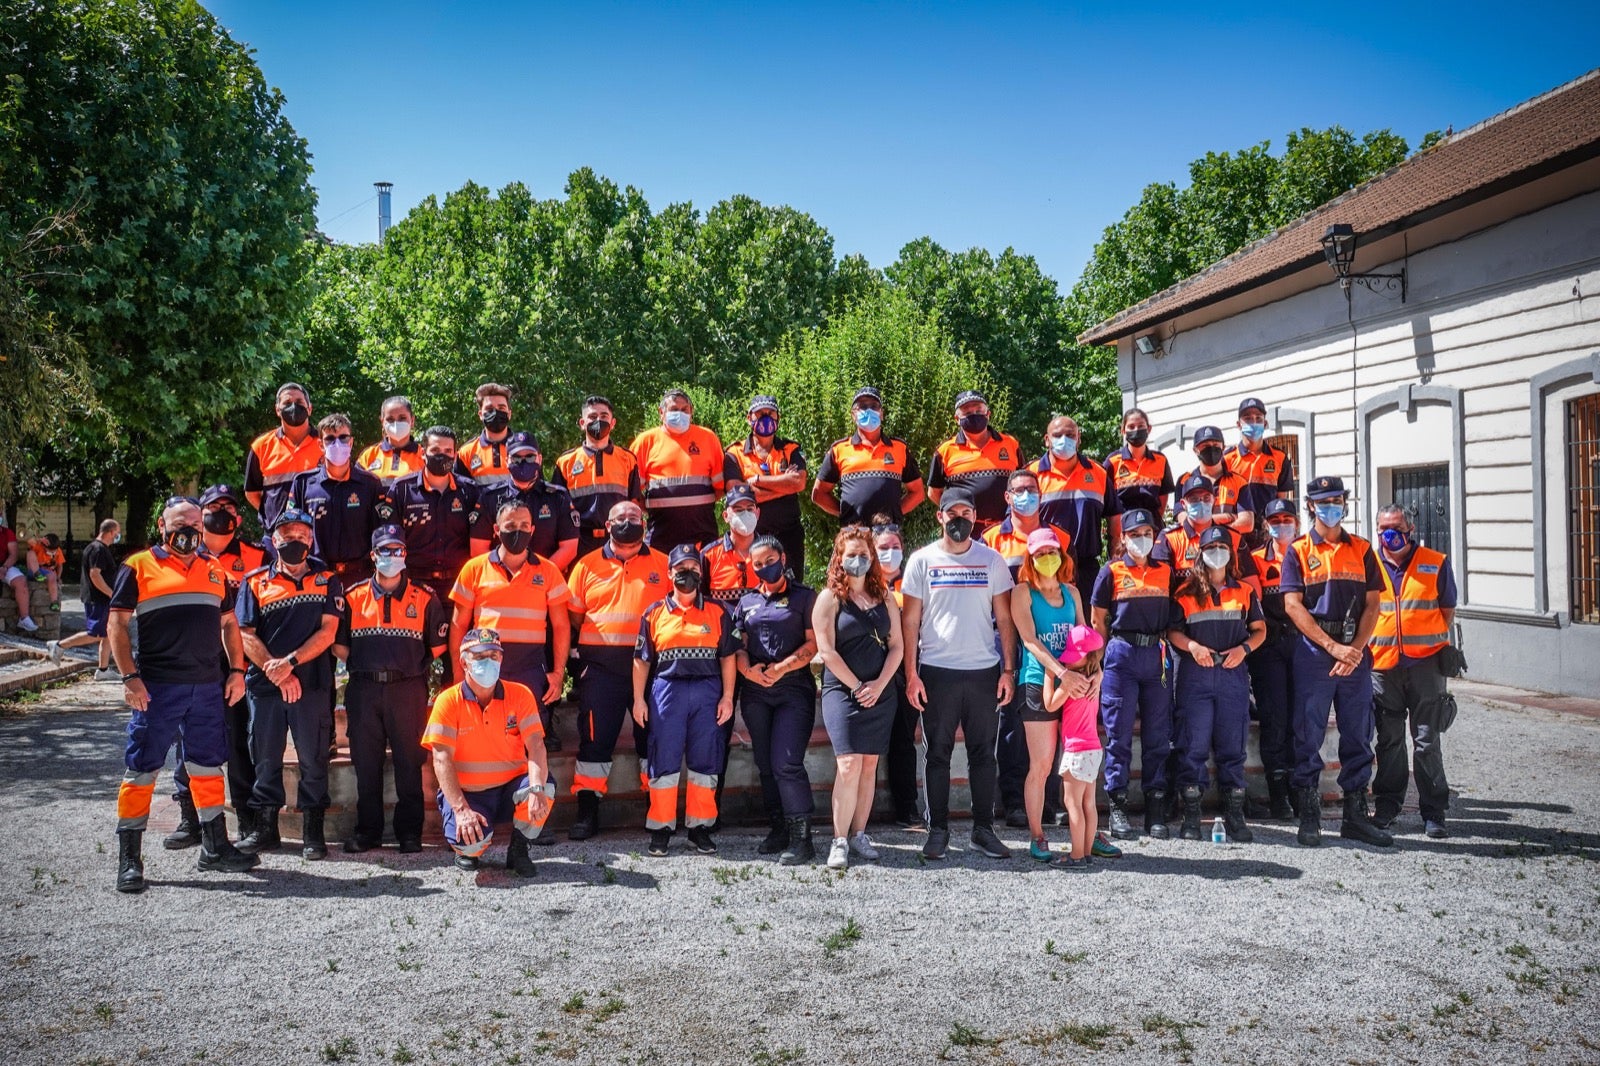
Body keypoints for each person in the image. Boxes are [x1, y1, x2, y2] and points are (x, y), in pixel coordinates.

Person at [107, 496, 257, 892]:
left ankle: (214, 848)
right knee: (142, 768)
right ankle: (129, 859)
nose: (188, 531)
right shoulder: (138, 566)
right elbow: (117, 625)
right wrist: (129, 678)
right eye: (180, 523)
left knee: (208, 767)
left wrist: (237, 671)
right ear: (162, 524)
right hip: (157, 688)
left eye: (195, 523)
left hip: (207, 686)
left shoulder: (213, 569)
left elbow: (229, 625)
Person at [901, 487, 1017, 861]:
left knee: (985, 755)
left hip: (984, 671)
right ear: (940, 517)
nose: (959, 520)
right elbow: (910, 621)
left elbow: (1005, 619)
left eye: (967, 513)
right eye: (953, 514)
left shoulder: (992, 560)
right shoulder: (921, 561)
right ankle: (937, 832)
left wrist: (1009, 670)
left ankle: (983, 830)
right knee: (937, 754)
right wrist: (911, 675)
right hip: (936, 672)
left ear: (975, 517)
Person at [1279, 475, 1393, 848]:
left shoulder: (1362, 549)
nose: (1332, 506)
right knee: (1307, 732)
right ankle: (1309, 814)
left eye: (1338, 499)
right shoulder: (1296, 551)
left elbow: (1374, 604)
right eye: (1324, 501)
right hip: (1316, 652)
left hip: (1354, 652)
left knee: (1359, 733)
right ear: (1311, 506)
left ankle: (1356, 816)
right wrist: (1332, 647)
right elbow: (1293, 606)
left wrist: (1355, 649)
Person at [234, 508, 346, 861]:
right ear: (274, 539)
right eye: (286, 534)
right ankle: (266, 829)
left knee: (313, 757)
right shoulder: (254, 582)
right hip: (266, 686)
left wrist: (291, 664)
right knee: (265, 757)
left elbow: (329, 632)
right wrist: (276, 672)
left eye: (301, 533)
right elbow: (243, 633)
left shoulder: (328, 580)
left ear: (311, 539)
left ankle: (313, 831)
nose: (294, 539)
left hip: (311, 684)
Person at [336, 525, 449, 854]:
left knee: (409, 763)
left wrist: (409, 666)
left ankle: (409, 834)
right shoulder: (352, 596)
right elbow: (339, 646)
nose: (392, 556)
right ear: (373, 555)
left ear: (405, 554)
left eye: (397, 549)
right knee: (366, 765)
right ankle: (367, 832)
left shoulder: (425, 598)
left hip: (407, 690)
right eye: (385, 550)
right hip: (363, 690)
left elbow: (437, 647)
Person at [563, 501, 669, 839]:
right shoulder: (586, 565)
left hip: (650, 669)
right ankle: (587, 812)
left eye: (634, 518)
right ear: (607, 525)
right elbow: (575, 616)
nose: (628, 522)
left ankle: (659, 811)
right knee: (594, 740)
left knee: (652, 740)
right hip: (600, 670)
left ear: (644, 522)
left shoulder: (664, 564)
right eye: (620, 518)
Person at [451, 499, 571, 773]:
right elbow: (458, 625)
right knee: (484, 734)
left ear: (533, 529)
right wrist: (460, 674)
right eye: (511, 526)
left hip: (530, 665)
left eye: (524, 525)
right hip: (485, 662)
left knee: (531, 738)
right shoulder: (474, 568)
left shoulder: (548, 571)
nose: (518, 531)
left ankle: (531, 799)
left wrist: (558, 672)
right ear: (496, 529)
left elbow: (562, 625)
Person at [633, 545, 738, 856]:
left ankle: (699, 828)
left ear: (701, 573)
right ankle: (661, 828)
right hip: (667, 691)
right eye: (681, 569)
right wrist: (639, 700)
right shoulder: (653, 613)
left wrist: (728, 696)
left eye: (693, 567)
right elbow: (641, 661)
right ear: (670, 574)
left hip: (708, 691)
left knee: (705, 761)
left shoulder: (718, 612)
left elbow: (728, 658)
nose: (687, 574)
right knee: (663, 759)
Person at [422, 627, 552, 875]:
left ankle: (519, 848)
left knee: (546, 787)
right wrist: (461, 810)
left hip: (510, 789)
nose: (488, 662)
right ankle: (469, 850)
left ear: (502, 658)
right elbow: (440, 759)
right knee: (470, 845)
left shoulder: (520, 694)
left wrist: (536, 788)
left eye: (494, 655)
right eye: (480, 656)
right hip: (469, 795)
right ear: (463, 662)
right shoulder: (448, 701)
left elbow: (536, 745)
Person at [984, 469, 1072, 829]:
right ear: (1007, 497)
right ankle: (1013, 801)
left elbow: (1066, 585)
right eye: (1018, 490)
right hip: (1004, 637)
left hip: (1050, 640)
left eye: (1031, 490)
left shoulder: (1058, 537)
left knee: (1051, 718)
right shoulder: (991, 538)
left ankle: (1048, 800)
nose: (1026, 496)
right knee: (1010, 722)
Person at [1168, 526, 1266, 842]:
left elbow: (1260, 630)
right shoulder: (1184, 593)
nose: (1218, 552)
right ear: (1202, 552)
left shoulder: (1244, 592)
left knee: (1232, 745)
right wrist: (1192, 647)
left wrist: (1244, 649)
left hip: (1232, 674)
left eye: (1223, 546)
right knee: (1192, 744)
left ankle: (1234, 815)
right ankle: (1192, 816)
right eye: (1212, 547)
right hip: (1195, 675)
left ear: (1231, 552)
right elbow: (1172, 632)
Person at [1010, 529, 1103, 862]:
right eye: (1039, 553)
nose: (1046, 558)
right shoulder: (1022, 593)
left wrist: (1098, 674)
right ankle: (1038, 835)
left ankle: (1087, 835)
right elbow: (1030, 640)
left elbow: (1087, 637)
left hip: (1078, 682)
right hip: (1039, 681)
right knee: (1043, 765)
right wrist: (1062, 673)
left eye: (1052, 551)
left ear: (1062, 556)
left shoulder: (1073, 592)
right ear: (1030, 559)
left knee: (1080, 759)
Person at [814, 526, 903, 870]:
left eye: (863, 555)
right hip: (843, 692)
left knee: (869, 766)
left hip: (880, 692)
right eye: (850, 554)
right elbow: (827, 651)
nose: (857, 560)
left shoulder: (884, 597)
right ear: (839, 558)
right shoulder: (829, 599)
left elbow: (897, 646)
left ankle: (859, 834)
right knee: (848, 765)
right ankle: (839, 840)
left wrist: (879, 685)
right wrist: (858, 687)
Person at [1370, 504, 1458, 838]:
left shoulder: (1435, 563)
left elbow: (1446, 609)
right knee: (1389, 740)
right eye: (1383, 529)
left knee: (1426, 740)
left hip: (1425, 666)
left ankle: (1434, 812)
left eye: (1395, 529)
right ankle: (1388, 806)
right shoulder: (1370, 564)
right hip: (1382, 665)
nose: (1389, 536)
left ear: (1410, 530)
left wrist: (1430, 642)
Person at [1089, 507, 1175, 839]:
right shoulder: (1111, 571)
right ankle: (1118, 805)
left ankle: (1155, 807)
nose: (1142, 539)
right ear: (1123, 538)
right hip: (1121, 655)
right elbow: (1098, 617)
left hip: (1156, 655)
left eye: (1147, 534)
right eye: (1135, 534)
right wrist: (1100, 659)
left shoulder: (1165, 571)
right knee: (1119, 734)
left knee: (1157, 735)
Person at [735, 535, 821, 865]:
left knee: (786, 762)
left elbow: (813, 645)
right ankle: (779, 829)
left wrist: (783, 668)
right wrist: (748, 672)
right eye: (757, 565)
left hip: (793, 690)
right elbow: (738, 647)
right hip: (756, 692)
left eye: (769, 561)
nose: (764, 568)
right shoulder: (746, 602)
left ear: (782, 558)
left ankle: (803, 839)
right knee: (766, 765)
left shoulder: (804, 597)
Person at [380, 426, 484, 646]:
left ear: (455, 455)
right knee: (413, 657)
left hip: (457, 588)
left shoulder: (469, 492)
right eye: (435, 449)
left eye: (448, 451)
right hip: (413, 585)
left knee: (456, 657)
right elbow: (389, 540)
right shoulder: (402, 490)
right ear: (423, 452)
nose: (442, 455)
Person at [631, 388, 737, 551]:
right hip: (661, 533)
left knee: (704, 574)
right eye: (674, 409)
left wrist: (695, 505)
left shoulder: (708, 437)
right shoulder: (645, 442)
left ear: (691, 411)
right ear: (661, 412)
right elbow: (633, 492)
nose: (679, 413)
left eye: (684, 409)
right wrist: (651, 508)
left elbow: (720, 488)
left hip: (702, 532)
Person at [288, 412, 385, 587]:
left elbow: (380, 531)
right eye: (330, 439)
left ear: (351, 441)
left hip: (360, 578)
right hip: (316, 577)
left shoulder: (370, 484)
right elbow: (292, 530)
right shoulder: (303, 483)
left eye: (343, 437)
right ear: (320, 444)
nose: (337, 443)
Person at [1033, 414, 1123, 604]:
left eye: (1070, 434)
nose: (1064, 440)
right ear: (1047, 440)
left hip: (1087, 567)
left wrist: (1115, 558)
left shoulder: (1097, 472)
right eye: (1057, 435)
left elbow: (1114, 517)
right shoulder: (1032, 474)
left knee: (1087, 628)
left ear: (1079, 438)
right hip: (1046, 565)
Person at [872, 516, 926, 830]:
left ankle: (906, 809)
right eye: (883, 548)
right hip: (869, 672)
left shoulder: (913, 584)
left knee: (903, 741)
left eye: (895, 547)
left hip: (906, 672)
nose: (890, 552)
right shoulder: (861, 584)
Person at [1249, 499, 1301, 819]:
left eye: (1287, 518)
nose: (1282, 523)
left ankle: (1301, 788)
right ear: (1266, 523)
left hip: (1304, 648)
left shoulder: (1309, 553)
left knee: (1301, 720)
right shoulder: (1255, 559)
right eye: (1275, 518)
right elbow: (1253, 602)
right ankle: (1278, 792)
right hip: (1268, 649)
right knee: (1274, 720)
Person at [812, 386, 926, 527]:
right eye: (863, 407)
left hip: (888, 535)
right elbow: (819, 494)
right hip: (854, 536)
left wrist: (895, 513)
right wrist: (845, 513)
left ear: (882, 414)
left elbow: (918, 492)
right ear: (853, 415)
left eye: (874, 406)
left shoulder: (899, 448)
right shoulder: (839, 450)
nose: (869, 410)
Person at [471, 431, 580, 572]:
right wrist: (505, 577)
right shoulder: (489, 497)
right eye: (516, 458)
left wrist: (538, 576)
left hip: (546, 581)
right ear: (506, 461)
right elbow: (478, 548)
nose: (523, 462)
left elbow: (569, 548)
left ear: (539, 459)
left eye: (529, 457)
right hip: (501, 581)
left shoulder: (558, 497)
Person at [726, 396, 808, 575]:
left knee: (792, 590)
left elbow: (799, 483)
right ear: (749, 418)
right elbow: (737, 495)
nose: (766, 418)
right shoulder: (735, 453)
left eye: (770, 413)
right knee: (756, 589)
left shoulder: (790, 448)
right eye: (760, 413)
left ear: (778, 417)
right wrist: (784, 486)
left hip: (789, 535)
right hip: (751, 536)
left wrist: (757, 481)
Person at [552, 395, 642, 557]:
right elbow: (558, 508)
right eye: (592, 417)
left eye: (604, 416)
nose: (598, 421)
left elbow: (634, 503)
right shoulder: (565, 462)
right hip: (579, 540)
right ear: (582, 423)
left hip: (618, 538)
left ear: (612, 423)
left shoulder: (627, 459)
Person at [1048, 624, 1107, 870]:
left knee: (1072, 804)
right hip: (1094, 748)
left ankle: (1076, 856)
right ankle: (1087, 851)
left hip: (1076, 751)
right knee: (1088, 804)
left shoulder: (1072, 684)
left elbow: (1050, 705)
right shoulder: (1094, 682)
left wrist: (1049, 676)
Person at [927, 390, 1021, 532]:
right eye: (967, 413)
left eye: (978, 410)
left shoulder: (1010, 444)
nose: (974, 415)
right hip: (965, 531)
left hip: (1007, 529)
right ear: (957, 419)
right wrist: (955, 513)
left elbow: (1024, 481)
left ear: (988, 414)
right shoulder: (945, 451)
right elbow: (934, 492)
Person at [1155, 474, 1262, 595]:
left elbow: (1254, 589)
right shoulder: (1168, 538)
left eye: (1206, 498)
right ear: (1183, 504)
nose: (1201, 503)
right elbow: (1160, 589)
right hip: (1185, 611)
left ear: (1214, 501)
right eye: (1194, 499)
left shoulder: (1233, 538)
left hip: (1227, 610)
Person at [244, 382, 322, 530]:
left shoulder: (325, 444)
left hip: (317, 535)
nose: (293, 406)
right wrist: (270, 514)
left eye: (299, 402)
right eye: (287, 403)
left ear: (309, 408)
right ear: (278, 410)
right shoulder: (261, 446)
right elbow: (252, 493)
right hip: (276, 535)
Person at [48, 519, 120, 678]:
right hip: (98, 599)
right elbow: (95, 574)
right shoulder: (98, 549)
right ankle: (59, 645)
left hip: (100, 598)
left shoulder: (95, 548)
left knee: (107, 632)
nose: (117, 536)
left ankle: (103, 670)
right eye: (117, 533)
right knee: (96, 634)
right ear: (110, 532)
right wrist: (110, 593)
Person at [1226, 398, 1296, 546]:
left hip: (1267, 533)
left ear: (1265, 424)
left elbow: (1281, 500)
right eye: (1248, 419)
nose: (1253, 422)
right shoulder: (1227, 459)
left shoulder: (1280, 458)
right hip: (1236, 530)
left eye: (1258, 418)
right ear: (1239, 424)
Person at [1181, 426, 1255, 539]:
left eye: (1216, 445)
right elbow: (1183, 521)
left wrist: (1213, 531)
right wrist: (1228, 516)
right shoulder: (1184, 481)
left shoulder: (1239, 482)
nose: (1211, 449)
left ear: (1223, 448)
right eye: (1205, 446)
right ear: (1195, 450)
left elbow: (1247, 524)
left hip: (1229, 548)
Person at [1104, 408, 1175, 519]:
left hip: (1152, 528)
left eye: (1141, 426)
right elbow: (1106, 498)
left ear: (1149, 429)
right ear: (1123, 431)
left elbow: (1163, 496)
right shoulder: (1112, 461)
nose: (1136, 430)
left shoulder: (1160, 460)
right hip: (1124, 530)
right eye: (1131, 427)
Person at [455, 382, 516, 491]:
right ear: (480, 415)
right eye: (489, 409)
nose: (496, 412)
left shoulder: (524, 449)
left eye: (501, 408)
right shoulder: (466, 453)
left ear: (509, 414)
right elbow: (460, 495)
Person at [358, 395, 426, 484]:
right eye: (390, 419)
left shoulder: (424, 456)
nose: (396, 423)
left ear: (412, 420)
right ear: (382, 422)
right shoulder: (369, 455)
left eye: (402, 418)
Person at [0, 518, 34, 632]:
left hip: (5, 565)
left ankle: (24, 618)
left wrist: (4, 568)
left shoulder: (7, 533)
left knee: (20, 581)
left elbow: (13, 555)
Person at [19, 532, 63, 612]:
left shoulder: (58, 551)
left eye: (54, 551)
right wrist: (39, 540)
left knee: (53, 576)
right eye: (49, 551)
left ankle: (54, 602)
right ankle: (37, 574)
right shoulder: (38, 546)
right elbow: (27, 540)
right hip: (33, 570)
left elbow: (60, 565)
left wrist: (58, 577)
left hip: (47, 572)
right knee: (30, 553)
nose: (52, 553)